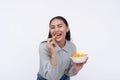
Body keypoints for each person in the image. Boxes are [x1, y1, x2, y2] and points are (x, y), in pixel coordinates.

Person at [37, 16, 88, 80]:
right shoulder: (44, 47)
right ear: (50, 31)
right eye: (52, 27)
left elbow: (68, 72)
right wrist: (53, 54)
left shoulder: (72, 47)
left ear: (67, 28)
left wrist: (76, 69)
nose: (56, 30)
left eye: (60, 26)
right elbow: (51, 77)